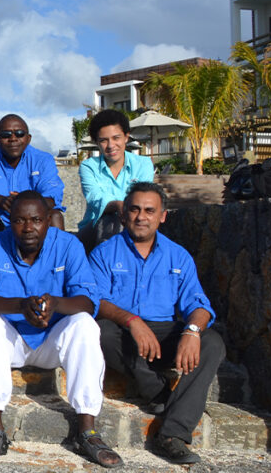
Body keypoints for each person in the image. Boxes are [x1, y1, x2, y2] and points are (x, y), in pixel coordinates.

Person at [0, 191, 122, 467]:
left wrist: (55, 304)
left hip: (53, 340)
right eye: (19, 220)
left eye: (36, 220)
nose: (28, 228)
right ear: (10, 221)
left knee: (85, 324)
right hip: (10, 341)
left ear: (49, 221)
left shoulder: (68, 245)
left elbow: (88, 301)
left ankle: (87, 429)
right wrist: (21, 305)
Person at [89, 182, 224, 465]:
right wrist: (132, 320)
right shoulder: (103, 253)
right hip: (124, 333)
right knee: (98, 331)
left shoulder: (178, 256)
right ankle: (157, 391)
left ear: (162, 216)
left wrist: (192, 330)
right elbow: (94, 301)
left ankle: (173, 434)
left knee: (212, 342)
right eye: (135, 209)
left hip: (164, 334)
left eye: (150, 210)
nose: (141, 216)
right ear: (124, 214)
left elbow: (200, 305)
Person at [0, 114, 65, 253]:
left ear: (28, 138)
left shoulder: (43, 159)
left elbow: (52, 198)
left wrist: (23, 203)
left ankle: (56, 267)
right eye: (5, 134)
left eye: (19, 134)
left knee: (55, 216)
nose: (13, 138)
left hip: (34, 223)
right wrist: (2, 200)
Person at [78, 109, 154, 251]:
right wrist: (118, 205)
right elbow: (95, 198)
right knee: (111, 219)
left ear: (126, 137)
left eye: (116, 138)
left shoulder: (143, 164)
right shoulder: (88, 166)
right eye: (103, 140)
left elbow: (144, 198)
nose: (111, 145)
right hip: (93, 230)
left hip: (135, 225)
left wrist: (126, 208)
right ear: (97, 143)